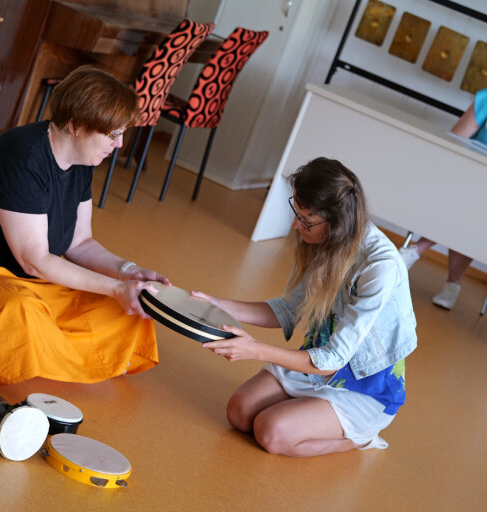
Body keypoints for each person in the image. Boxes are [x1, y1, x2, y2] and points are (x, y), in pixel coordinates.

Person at [192, 157, 417, 457]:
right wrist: (216, 304)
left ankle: (361, 437)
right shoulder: (326, 240)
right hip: (318, 365)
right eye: (297, 213)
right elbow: (287, 311)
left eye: (306, 221)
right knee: (239, 411)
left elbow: (333, 360)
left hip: (364, 386)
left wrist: (256, 349)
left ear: (336, 223)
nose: (296, 225)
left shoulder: (380, 268)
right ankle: (309, 413)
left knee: (271, 432)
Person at [0, 65, 169, 385]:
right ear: (76, 126)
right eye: (112, 134)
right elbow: (34, 260)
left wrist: (127, 273)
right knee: (19, 311)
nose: (119, 144)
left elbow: (80, 243)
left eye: (122, 134)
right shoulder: (22, 157)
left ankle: (46, 353)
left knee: (126, 310)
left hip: (33, 280)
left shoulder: (82, 159)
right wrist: (116, 287)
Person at [399, 88, 487, 310]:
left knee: (474, 209)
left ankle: (415, 250)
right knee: (464, 202)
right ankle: (452, 284)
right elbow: (456, 138)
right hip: (466, 174)